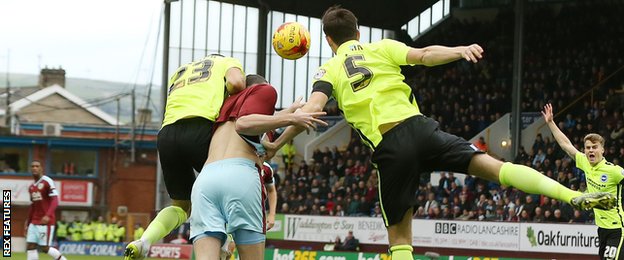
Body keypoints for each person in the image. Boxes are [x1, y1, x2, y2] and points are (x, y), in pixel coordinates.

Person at [262, 6, 616, 260]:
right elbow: (426, 53)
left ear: (327, 40)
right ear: (357, 33)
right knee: (496, 168)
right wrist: (459, 50)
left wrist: (275, 140)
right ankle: (571, 195)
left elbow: (312, 110)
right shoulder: (381, 47)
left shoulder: (329, 68)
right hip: (422, 129)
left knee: (400, 239)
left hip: (390, 147)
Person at [190, 74, 326, 259]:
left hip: (205, 180)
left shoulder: (225, 105)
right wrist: (292, 119)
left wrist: (289, 111)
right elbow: (245, 123)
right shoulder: (265, 89)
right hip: (240, 176)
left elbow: (254, 118)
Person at [125, 54, 246, 259]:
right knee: (223, 188)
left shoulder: (181, 71)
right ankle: (225, 246)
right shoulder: (226, 62)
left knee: (181, 206)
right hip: (201, 127)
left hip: (167, 133)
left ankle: (144, 242)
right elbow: (236, 83)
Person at [542, 103, 624, 260]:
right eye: (588, 148)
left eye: (594, 147)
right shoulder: (585, 162)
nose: (591, 150)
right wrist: (551, 122)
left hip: (617, 229)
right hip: (601, 229)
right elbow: (566, 145)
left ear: (602, 150)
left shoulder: (614, 171)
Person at [25, 160, 67, 260]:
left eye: (37, 166)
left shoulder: (47, 181)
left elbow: (55, 200)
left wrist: (47, 215)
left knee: (45, 248)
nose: (34, 168)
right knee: (30, 246)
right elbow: (33, 206)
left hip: (45, 222)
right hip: (34, 222)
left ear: (41, 169)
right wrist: (28, 222)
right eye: (32, 166)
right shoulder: (31, 187)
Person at [261, 162, 278, 230]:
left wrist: (272, 215)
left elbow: (271, 190)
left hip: (258, 215)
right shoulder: (234, 163)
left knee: (259, 241)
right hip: (235, 213)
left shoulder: (267, 168)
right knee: (233, 240)